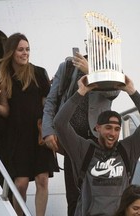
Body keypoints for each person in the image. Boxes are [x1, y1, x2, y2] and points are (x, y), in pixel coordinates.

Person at [42, 26, 119, 216]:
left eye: (101, 43)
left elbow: (113, 92)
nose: (95, 46)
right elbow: (52, 100)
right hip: (72, 137)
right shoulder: (68, 66)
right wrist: (48, 130)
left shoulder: (113, 69)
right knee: (74, 193)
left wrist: (91, 72)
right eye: (92, 41)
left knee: (97, 191)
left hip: (97, 139)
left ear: (108, 46)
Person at [54, 75, 140, 216]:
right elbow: (60, 123)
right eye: (108, 127)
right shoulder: (84, 149)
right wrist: (81, 92)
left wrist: (131, 91)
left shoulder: (127, 150)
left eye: (116, 129)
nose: (112, 133)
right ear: (97, 128)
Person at [0, 33, 59, 216]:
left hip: (37, 132)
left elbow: (47, 105)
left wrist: (49, 128)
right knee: (20, 184)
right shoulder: (2, 75)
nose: (25, 53)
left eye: (27, 49)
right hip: (17, 137)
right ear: (11, 52)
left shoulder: (39, 73)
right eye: (20, 49)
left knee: (42, 179)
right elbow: (6, 110)